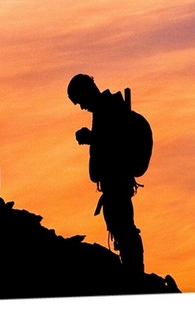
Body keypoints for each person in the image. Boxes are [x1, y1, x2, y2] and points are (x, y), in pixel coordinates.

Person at [67, 73, 145, 274]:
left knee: (125, 229)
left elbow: (114, 143)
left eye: (79, 100)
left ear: (86, 92)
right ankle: (132, 270)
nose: (81, 106)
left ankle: (134, 273)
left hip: (118, 182)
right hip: (114, 183)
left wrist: (90, 138)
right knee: (121, 228)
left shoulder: (108, 109)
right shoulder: (104, 109)